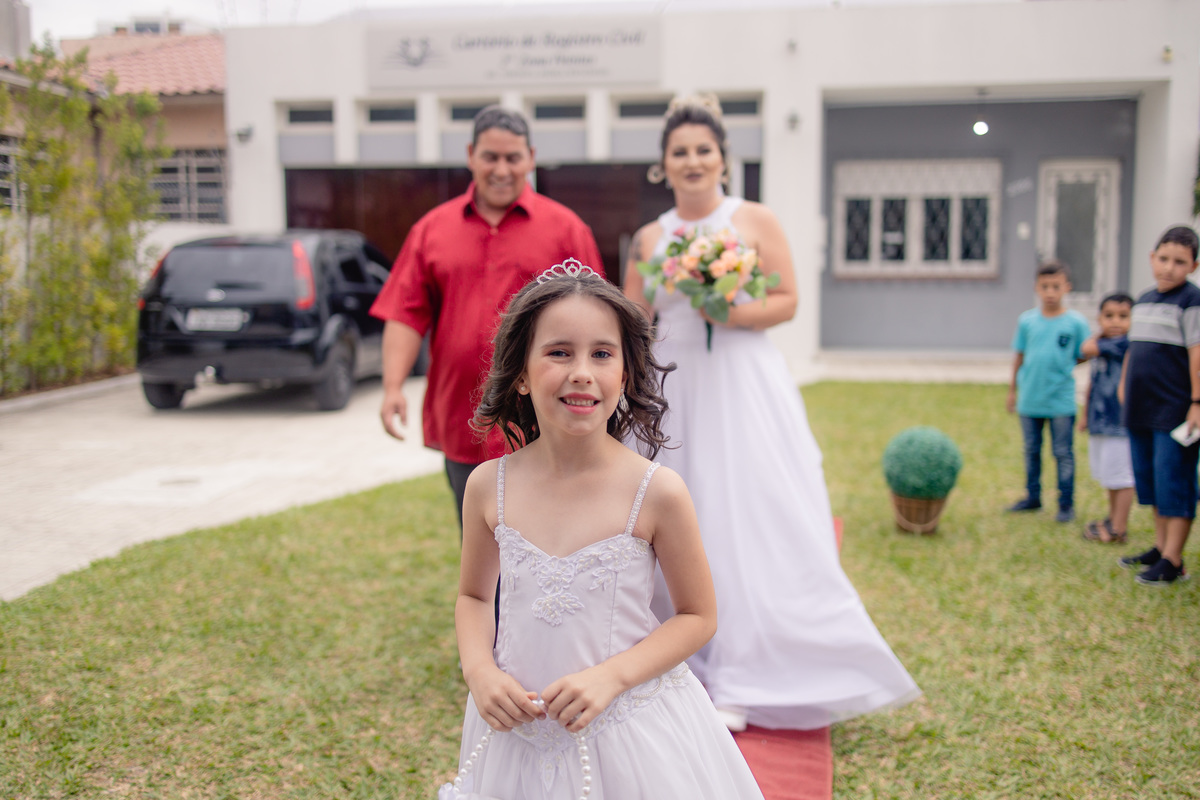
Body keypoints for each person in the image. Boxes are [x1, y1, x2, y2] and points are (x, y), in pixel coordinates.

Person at [622, 94, 919, 732]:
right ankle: (679, 665)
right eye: (680, 152)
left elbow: (785, 300)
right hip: (673, 387)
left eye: (704, 149)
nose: (693, 160)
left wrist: (730, 311)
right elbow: (633, 318)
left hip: (741, 383)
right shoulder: (651, 237)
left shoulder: (753, 218)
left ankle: (743, 671)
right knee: (673, 512)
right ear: (663, 165)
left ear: (723, 157)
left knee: (743, 513)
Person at [442, 264, 765, 800]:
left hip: (627, 733)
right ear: (521, 372)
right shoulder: (487, 486)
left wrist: (610, 677)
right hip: (515, 732)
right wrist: (479, 671)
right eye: (559, 352)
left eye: (601, 354)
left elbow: (697, 616)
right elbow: (475, 596)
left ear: (626, 375)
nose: (581, 372)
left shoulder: (657, 492)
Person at [369, 105, 604, 528]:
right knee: (478, 547)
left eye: (512, 158)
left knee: (546, 544)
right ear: (470, 155)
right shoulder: (431, 230)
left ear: (530, 157)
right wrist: (392, 386)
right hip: (465, 418)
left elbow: (597, 321)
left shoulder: (567, 229)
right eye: (490, 157)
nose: (501, 169)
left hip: (543, 418)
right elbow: (406, 313)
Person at [1117, 225, 1200, 585]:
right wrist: (1124, 386)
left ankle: (1173, 559)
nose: (1169, 268)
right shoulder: (1146, 298)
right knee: (1151, 480)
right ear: (1152, 258)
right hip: (1140, 408)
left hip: (1175, 411)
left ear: (1193, 266)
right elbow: (1135, 350)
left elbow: (1198, 354)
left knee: (1175, 481)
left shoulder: (1191, 301)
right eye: (1163, 259)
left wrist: (1197, 402)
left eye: (1179, 262)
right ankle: (1160, 546)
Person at [1005, 260, 1091, 523]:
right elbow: (1019, 355)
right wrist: (1012, 390)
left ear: (1066, 287)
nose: (1050, 292)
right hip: (1031, 398)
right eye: (1045, 287)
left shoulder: (1075, 322)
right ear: (1036, 288)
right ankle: (1033, 498)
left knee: (1062, 453)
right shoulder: (1027, 321)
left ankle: (1066, 504)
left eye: (1056, 286)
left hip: (1061, 401)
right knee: (1031, 450)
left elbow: (1085, 352)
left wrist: (1067, 365)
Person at [1079, 292, 1135, 544]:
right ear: (1099, 318)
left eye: (1123, 316)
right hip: (1100, 421)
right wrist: (1085, 416)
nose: (1115, 322)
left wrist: (1098, 335)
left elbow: (1086, 347)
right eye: (1108, 316)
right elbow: (1093, 382)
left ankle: (1119, 528)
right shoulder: (1108, 345)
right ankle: (1112, 519)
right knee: (1109, 475)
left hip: (1119, 423)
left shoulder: (1125, 344)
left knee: (1121, 476)